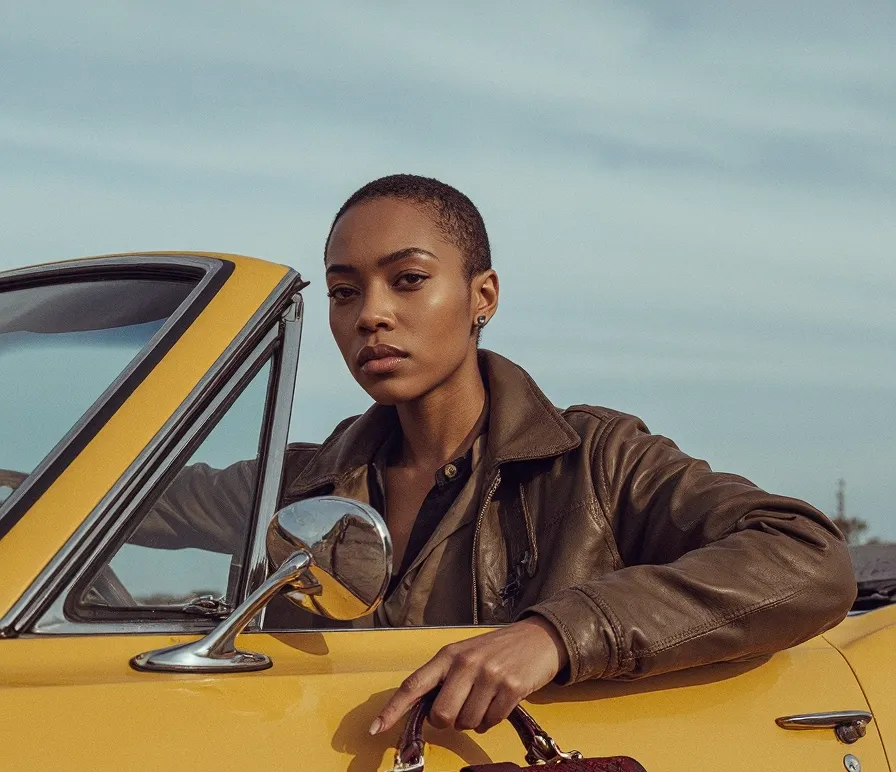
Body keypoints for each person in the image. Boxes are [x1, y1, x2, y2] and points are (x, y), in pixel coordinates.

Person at [140, 174, 857, 735]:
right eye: (343, 291)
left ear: (482, 296)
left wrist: (556, 633)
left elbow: (806, 556)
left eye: (409, 279)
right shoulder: (297, 484)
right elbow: (111, 502)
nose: (371, 315)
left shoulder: (595, 460)